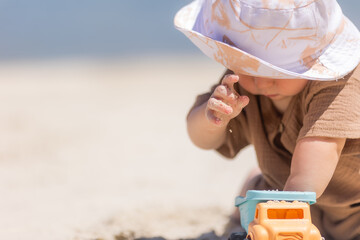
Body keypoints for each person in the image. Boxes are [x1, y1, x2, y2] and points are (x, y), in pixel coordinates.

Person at [174, 0, 360, 240]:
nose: (261, 83)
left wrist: (285, 222)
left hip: (352, 206)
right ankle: (243, 208)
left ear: (316, 59)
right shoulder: (242, 82)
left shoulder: (340, 82)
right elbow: (201, 139)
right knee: (257, 190)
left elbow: (319, 154)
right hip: (285, 190)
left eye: (276, 71)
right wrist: (212, 119)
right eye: (251, 67)